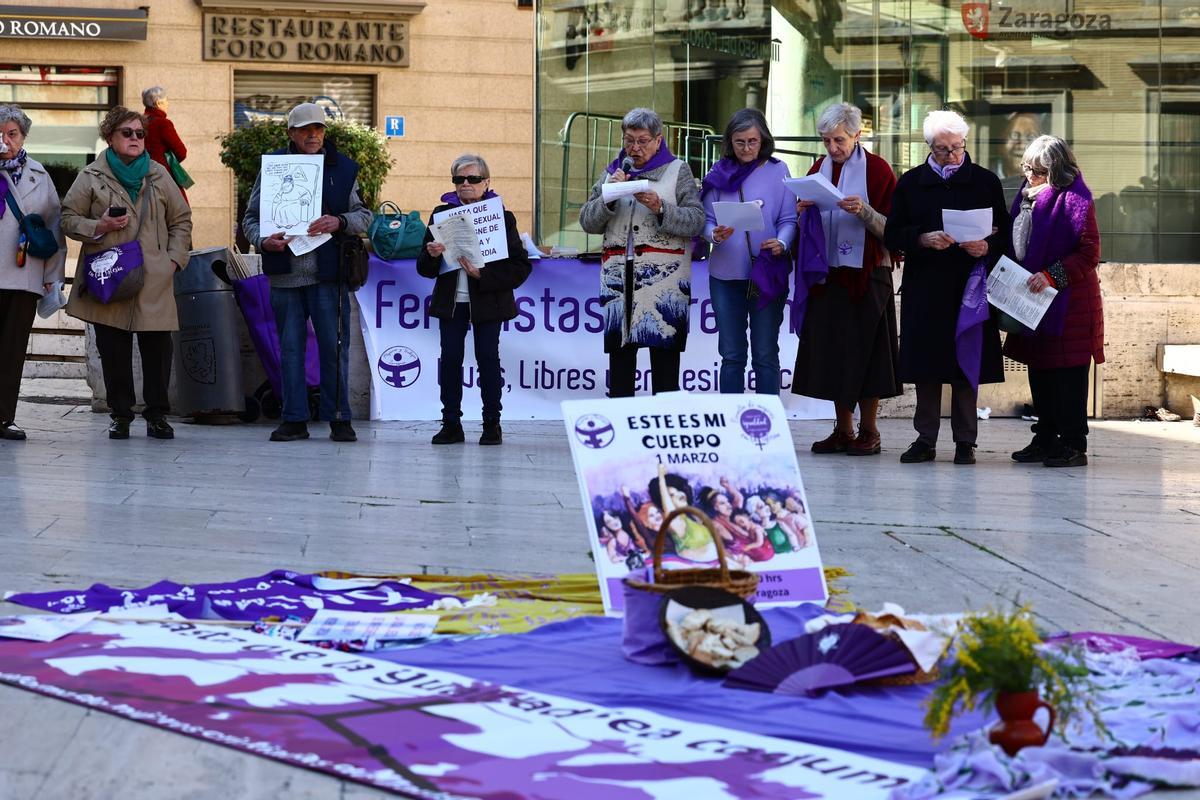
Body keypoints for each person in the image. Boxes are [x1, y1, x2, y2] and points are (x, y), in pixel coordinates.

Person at [884, 109, 1010, 465]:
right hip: (926, 286)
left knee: (966, 362)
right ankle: (925, 439)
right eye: (943, 149)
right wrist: (922, 239)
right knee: (926, 366)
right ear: (929, 147)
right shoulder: (910, 182)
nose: (952, 156)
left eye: (957, 147)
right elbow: (893, 233)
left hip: (969, 285)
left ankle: (965, 441)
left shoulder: (985, 181)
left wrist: (987, 246)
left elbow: (1004, 234)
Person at [242, 102, 370, 443]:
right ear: (291, 134)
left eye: (318, 129)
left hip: (329, 275)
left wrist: (339, 221)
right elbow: (250, 219)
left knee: (334, 348)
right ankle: (294, 418)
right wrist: (262, 239)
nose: (313, 134)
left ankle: (340, 417)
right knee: (290, 349)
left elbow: (364, 216)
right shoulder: (272, 170)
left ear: (325, 132)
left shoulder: (344, 169)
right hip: (285, 275)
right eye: (305, 129)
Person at [62, 106, 192, 440]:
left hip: (154, 276)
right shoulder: (91, 175)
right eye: (127, 133)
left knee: (158, 351)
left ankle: (157, 415)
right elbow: (67, 219)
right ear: (110, 137)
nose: (135, 139)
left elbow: (181, 220)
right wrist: (98, 226)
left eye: (140, 134)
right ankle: (120, 415)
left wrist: (174, 260)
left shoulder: (159, 174)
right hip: (110, 277)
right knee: (114, 351)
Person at [793, 103, 901, 456]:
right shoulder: (818, 169)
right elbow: (806, 217)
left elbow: (896, 231)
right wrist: (802, 211)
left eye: (839, 140)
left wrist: (864, 211)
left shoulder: (879, 171)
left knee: (869, 354)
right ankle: (843, 429)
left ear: (857, 135)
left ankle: (870, 431)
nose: (832, 149)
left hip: (869, 274)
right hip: (830, 274)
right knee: (834, 353)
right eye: (826, 141)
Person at [579, 108, 705, 397]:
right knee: (621, 365)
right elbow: (587, 221)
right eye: (629, 140)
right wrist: (608, 197)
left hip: (665, 285)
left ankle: (664, 434)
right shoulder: (613, 172)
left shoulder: (677, 170)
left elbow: (696, 220)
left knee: (664, 367)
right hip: (618, 284)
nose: (635, 148)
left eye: (643, 141)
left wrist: (661, 207)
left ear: (658, 141)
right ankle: (623, 432)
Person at [417, 154, 532, 446]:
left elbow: (520, 266)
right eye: (459, 179)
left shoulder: (502, 217)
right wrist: (431, 255)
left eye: (473, 179)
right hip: (452, 301)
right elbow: (424, 268)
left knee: (488, 360)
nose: (465, 184)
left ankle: (492, 423)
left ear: (487, 182)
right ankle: (451, 423)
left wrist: (484, 276)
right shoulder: (440, 214)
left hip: (488, 301)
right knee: (452, 360)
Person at [1004, 136, 1103, 468]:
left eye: (1037, 170)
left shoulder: (1077, 200)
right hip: (1034, 300)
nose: (1029, 175)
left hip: (1069, 303)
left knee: (1068, 378)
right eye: (1026, 167)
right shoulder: (1027, 196)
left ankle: (1073, 444)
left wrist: (1051, 275)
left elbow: (1089, 254)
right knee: (1041, 372)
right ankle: (1045, 438)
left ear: (1056, 170)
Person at [701, 108, 796, 395]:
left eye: (752, 141)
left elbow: (789, 219)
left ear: (763, 139)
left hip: (766, 273)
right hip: (726, 275)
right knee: (731, 355)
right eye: (740, 142)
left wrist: (781, 242)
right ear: (730, 142)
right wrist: (713, 234)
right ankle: (731, 427)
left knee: (765, 354)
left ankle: (769, 430)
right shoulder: (717, 174)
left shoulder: (779, 170)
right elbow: (705, 220)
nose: (746, 148)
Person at [0, 104, 66, 441]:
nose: (5, 140)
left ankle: (4, 417)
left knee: (12, 351)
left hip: (24, 275)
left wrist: (53, 275)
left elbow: (54, 230)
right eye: (0, 134)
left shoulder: (39, 174)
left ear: (23, 136)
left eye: (12, 133)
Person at [142, 86, 190, 205]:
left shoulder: (140, 122)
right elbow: (181, 152)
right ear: (158, 103)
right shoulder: (163, 123)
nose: (168, 103)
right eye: (166, 100)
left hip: (141, 174)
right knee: (177, 211)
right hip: (163, 175)